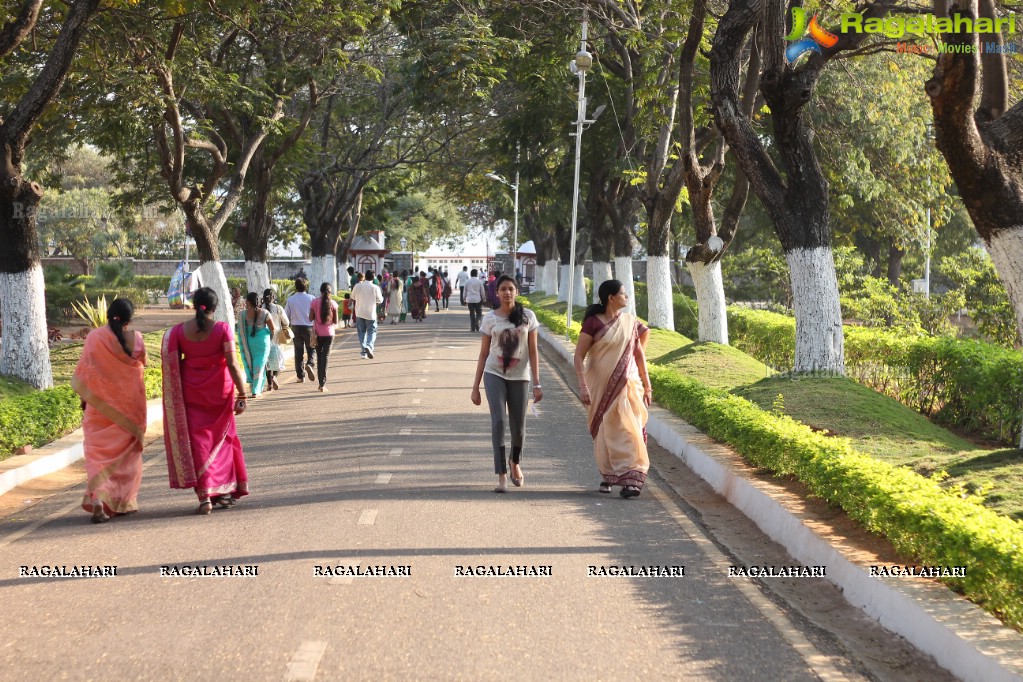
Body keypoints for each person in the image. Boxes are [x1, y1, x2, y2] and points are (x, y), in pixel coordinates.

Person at [162, 287, 250, 515]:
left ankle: (205, 497)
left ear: (194, 306)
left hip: (191, 391)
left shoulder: (179, 332)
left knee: (199, 442)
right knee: (222, 440)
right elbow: (232, 364)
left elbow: (173, 364)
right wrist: (242, 393)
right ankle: (221, 492)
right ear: (215, 307)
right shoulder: (222, 329)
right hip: (219, 391)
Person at [573, 279, 652, 498]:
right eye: (623, 294)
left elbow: (638, 354)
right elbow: (579, 356)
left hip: (628, 385)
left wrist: (647, 385)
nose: (626, 297)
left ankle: (632, 480)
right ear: (611, 298)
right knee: (607, 430)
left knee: (630, 429)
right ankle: (608, 474)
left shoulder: (629, 322)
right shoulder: (593, 323)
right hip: (600, 384)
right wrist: (582, 386)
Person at [71, 298, 147, 524]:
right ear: (129, 319)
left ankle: (97, 500)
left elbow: (86, 372)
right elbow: (142, 363)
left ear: (108, 315)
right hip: (129, 409)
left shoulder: (95, 337)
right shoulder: (137, 339)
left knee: (97, 454)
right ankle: (123, 502)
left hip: (98, 408)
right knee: (128, 457)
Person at [471, 275, 543, 493]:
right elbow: (483, 354)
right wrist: (475, 387)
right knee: (499, 422)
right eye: (503, 289)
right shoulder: (489, 319)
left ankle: (515, 462)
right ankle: (501, 473)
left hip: (521, 376)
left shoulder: (528, 317)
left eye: (511, 288)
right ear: (497, 292)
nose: (507, 292)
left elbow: (532, 351)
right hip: (494, 373)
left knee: (518, 427)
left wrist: (537, 383)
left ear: (517, 292)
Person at [237, 291, 276, 398]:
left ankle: (257, 387)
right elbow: (273, 329)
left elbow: (239, 330)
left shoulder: (243, 314)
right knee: (260, 364)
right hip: (263, 343)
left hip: (249, 343)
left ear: (248, 302)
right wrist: (270, 338)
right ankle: (255, 390)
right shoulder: (265, 313)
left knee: (254, 364)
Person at [284, 277, 316, 384]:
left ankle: (300, 376)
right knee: (311, 348)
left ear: (295, 287)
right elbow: (316, 314)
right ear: (305, 286)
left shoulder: (290, 299)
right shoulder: (311, 298)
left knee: (298, 352)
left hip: (296, 328)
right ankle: (310, 364)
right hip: (309, 327)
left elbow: (286, 315)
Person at [309, 282, 339, 392]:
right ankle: (322, 384)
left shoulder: (314, 302)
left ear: (320, 291)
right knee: (325, 357)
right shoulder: (334, 304)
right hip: (329, 334)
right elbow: (335, 321)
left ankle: (320, 382)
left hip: (318, 334)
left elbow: (310, 318)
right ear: (330, 292)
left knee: (319, 357)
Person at [352, 269, 384, 359]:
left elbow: (353, 297)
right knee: (371, 332)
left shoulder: (357, 286)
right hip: (371, 314)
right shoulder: (375, 287)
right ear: (373, 278)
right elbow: (380, 300)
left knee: (361, 333)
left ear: (365, 276)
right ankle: (369, 346)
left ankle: (363, 352)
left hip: (359, 313)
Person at [262, 288, 290, 391]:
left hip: (264, 337)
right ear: (273, 297)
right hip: (276, 337)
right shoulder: (278, 308)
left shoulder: (261, 308)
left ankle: (269, 384)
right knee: (278, 360)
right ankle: (274, 377)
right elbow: (286, 322)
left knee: (267, 361)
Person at [464, 268, 486, 332]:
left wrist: (464, 299)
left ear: (470, 274)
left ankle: (472, 328)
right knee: (479, 313)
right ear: (476, 274)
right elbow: (482, 291)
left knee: (472, 314)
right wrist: (484, 298)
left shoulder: (467, 281)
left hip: (469, 300)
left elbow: (464, 291)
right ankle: (477, 321)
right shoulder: (479, 282)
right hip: (477, 299)